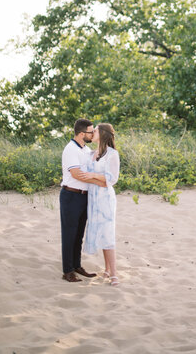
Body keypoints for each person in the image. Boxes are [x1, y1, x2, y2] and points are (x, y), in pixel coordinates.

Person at [77, 123, 120, 286]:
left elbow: (111, 178)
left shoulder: (112, 154)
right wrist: (95, 178)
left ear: (102, 134)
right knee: (101, 233)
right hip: (93, 198)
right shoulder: (91, 154)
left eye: (94, 131)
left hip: (105, 198)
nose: (91, 133)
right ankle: (107, 270)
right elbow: (85, 175)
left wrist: (93, 176)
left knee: (108, 233)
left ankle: (114, 273)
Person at [60, 118, 97, 282]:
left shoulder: (86, 149)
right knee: (69, 234)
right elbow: (76, 174)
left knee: (79, 234)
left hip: (84, 196)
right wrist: (98, 179)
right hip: (71, 195)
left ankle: (77, 265)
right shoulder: (70, 150)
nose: (93, 134)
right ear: (82, 134)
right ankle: (67, 271)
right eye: (91, 131)